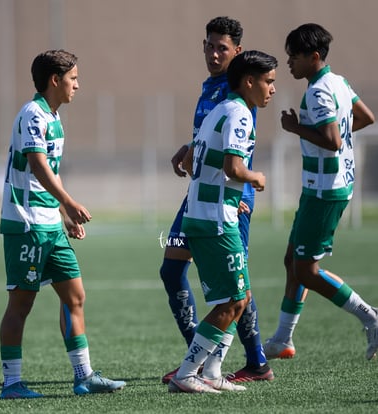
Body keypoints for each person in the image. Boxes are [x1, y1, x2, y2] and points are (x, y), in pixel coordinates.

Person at [0, 50, 126, 398]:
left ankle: (84, 377)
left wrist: (62, 215)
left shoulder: (54, 117)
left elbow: (45, 178)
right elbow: (38, 165)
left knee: (75, 296)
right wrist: (69, 202)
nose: (78, 85)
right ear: (55, 80)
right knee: (21, 303)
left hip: (50, 223)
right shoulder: (32, 114)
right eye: (73, 78)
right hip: (25, 225)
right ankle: (11, 383)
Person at [160, 16, 274, 385]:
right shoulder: (211, 86)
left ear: (237, 52)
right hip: (201, 196)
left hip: (229, 198)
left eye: (221, 47)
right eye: (208, 45)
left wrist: (244, 188)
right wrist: (189, 147)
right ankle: (199, 356)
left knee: (236, 286)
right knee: (172, 269)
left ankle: (255, 361)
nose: (212, 53)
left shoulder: (240, 90)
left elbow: (235, 158)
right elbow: (211, 136)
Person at [263, 23, 378, 361]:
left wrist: (295, 127)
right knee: (292, 260)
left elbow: (333, 140)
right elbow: (366, 117)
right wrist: (333, 131)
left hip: (325, 191)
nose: (288, 63)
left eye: (294, 56)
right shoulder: (338, 82)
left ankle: (371, 317)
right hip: (324, 186)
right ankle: (283, 338)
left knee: (306, 271)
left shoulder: (317, 91)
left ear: (313, 57)